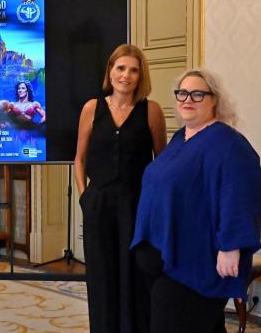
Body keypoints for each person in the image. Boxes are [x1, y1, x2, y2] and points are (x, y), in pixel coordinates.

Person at [130, 69, 261, 333]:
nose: (187, 99)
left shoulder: (228, 143)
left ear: (215, 100)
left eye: (198, 93)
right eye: (182, 93)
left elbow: (239, 194)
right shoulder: (182, 137)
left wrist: (230, 246)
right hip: (167, 256)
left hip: (196, 262)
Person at [74, 44, 167, 333]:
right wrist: (84, 197)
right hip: (98, 205)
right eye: (120, 68)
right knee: (101, 278)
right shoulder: (92, 108)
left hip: (137, 206)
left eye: (133, 70)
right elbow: (80, 158)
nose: (126, 75)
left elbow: (161, 163)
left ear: (141, 76)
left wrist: (154, 206)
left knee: (134, 277)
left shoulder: (151, 111)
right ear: (110, 71)